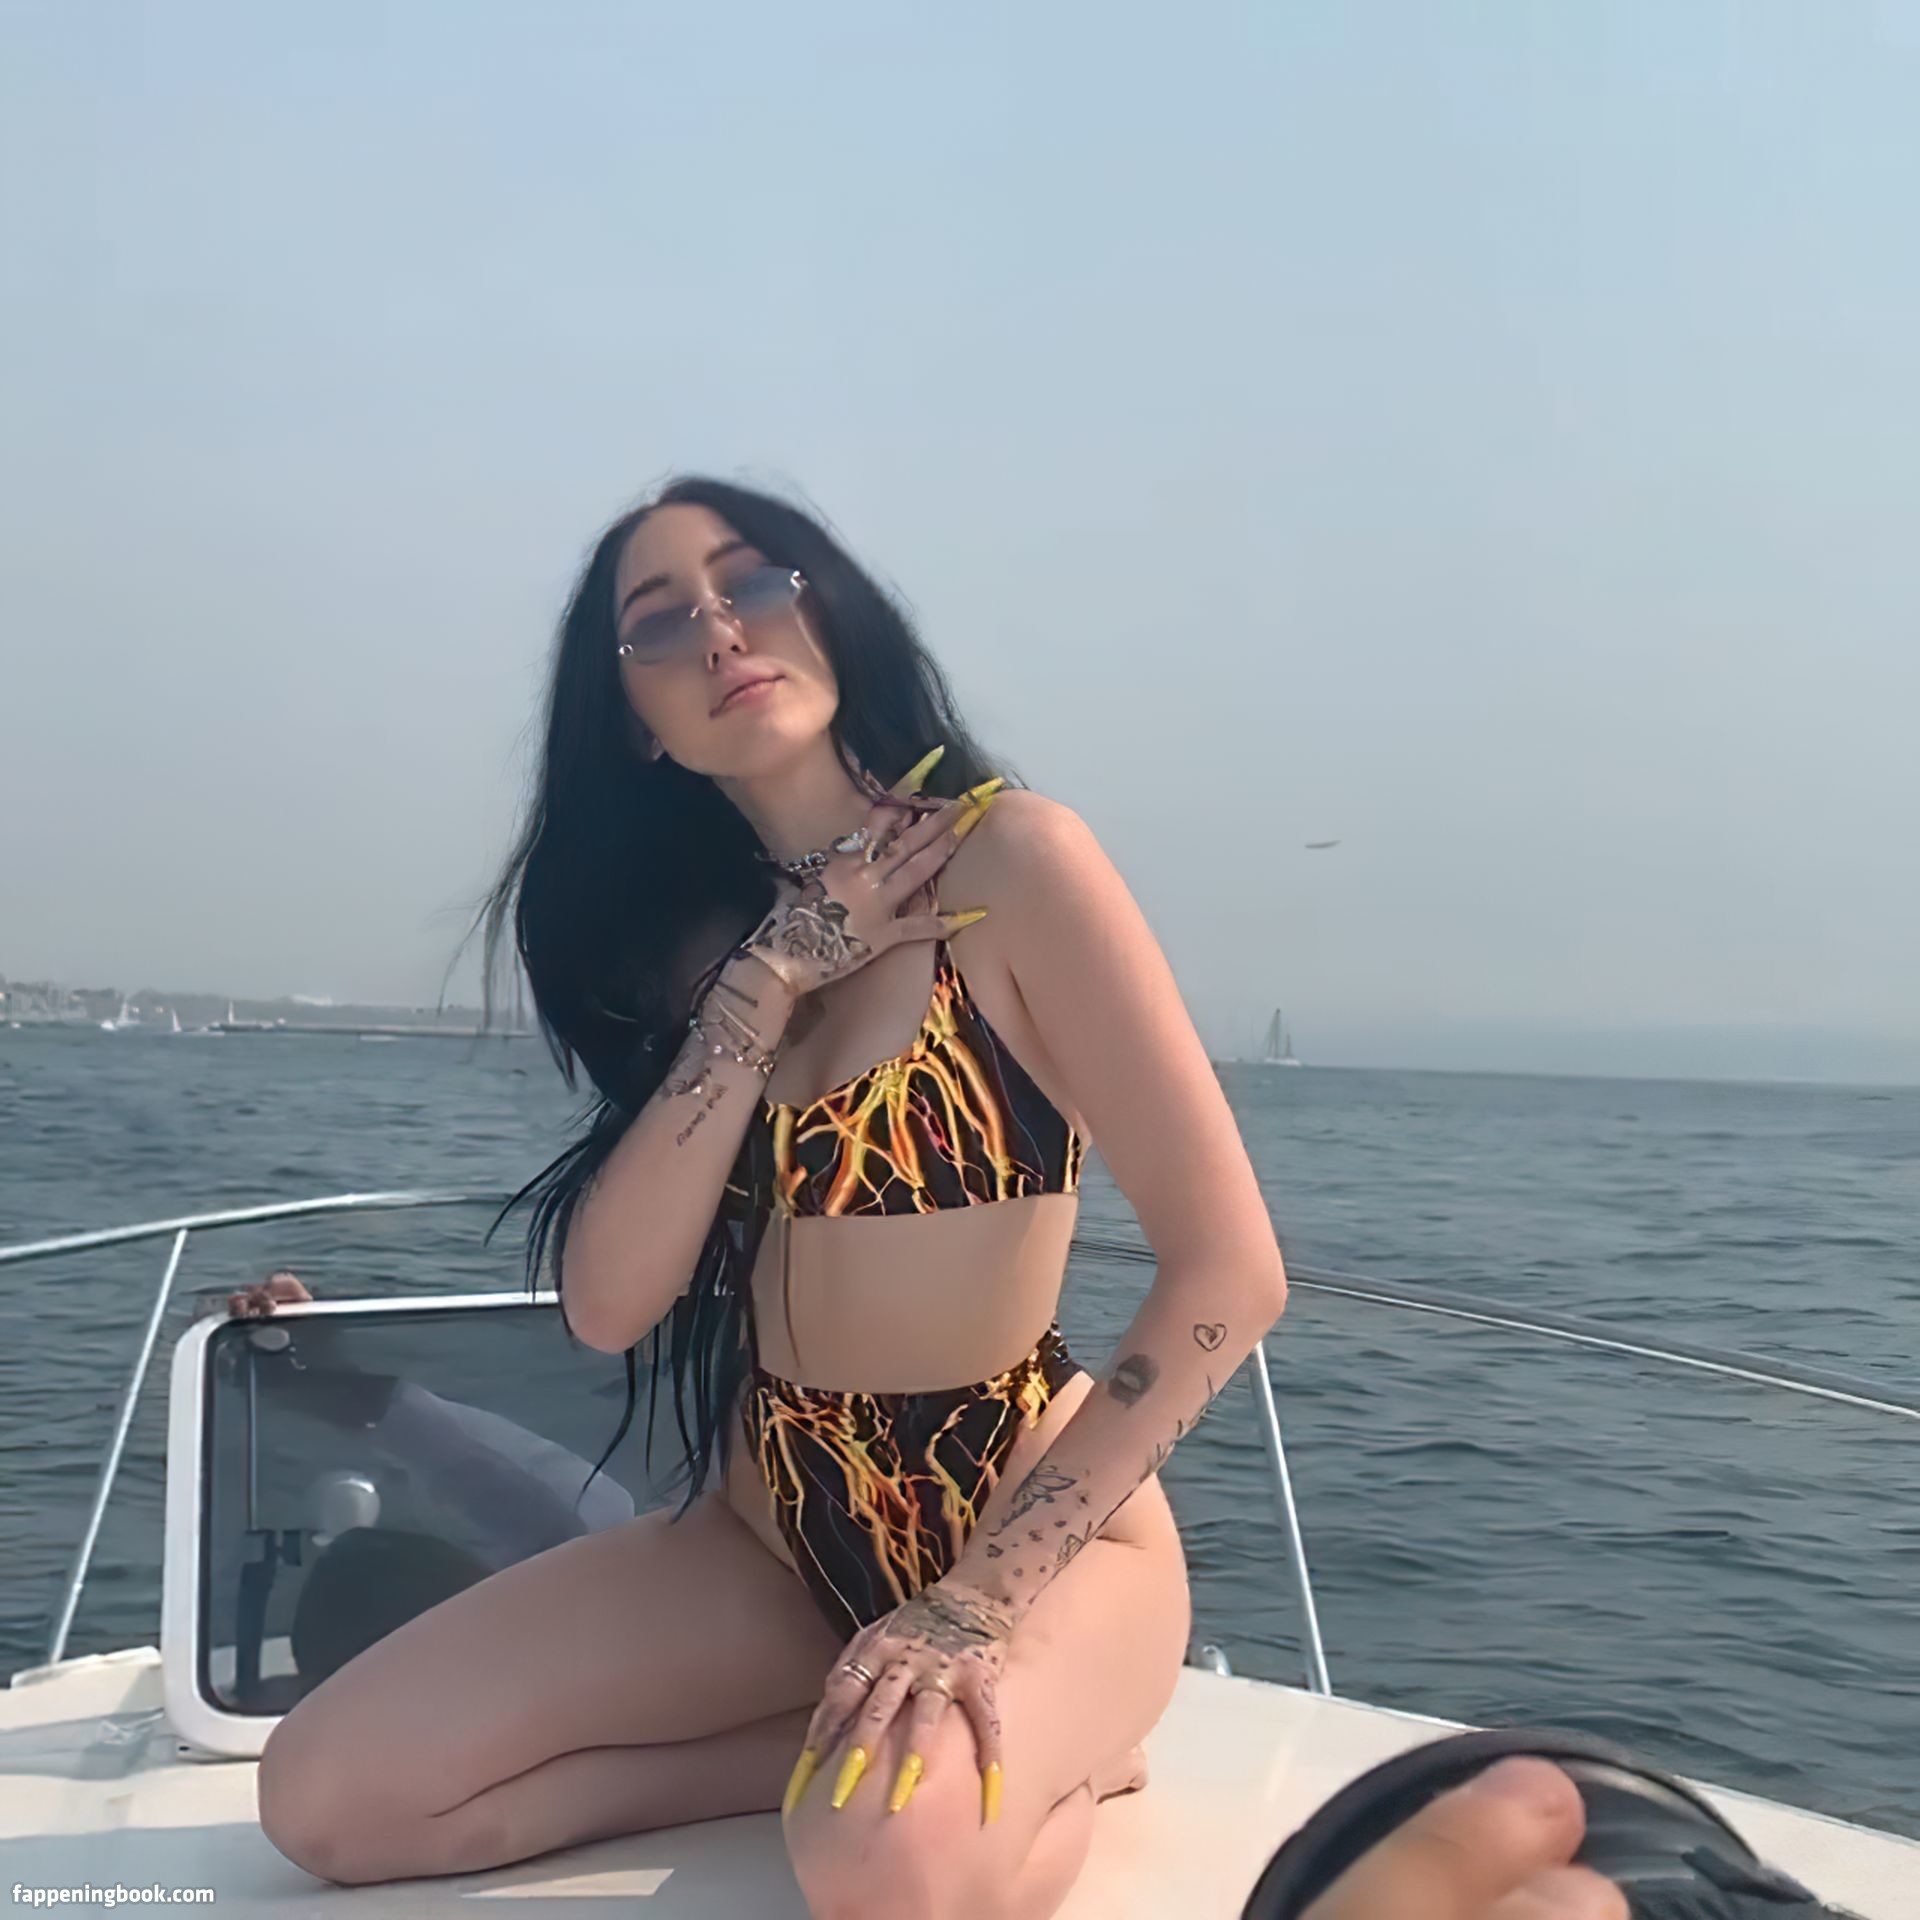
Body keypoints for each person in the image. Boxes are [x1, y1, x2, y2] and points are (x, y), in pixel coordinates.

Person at [254, 475, 1289, 1919]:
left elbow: (1231, 1274)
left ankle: (1059, 1762)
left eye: (752, 581)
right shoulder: (701, 952)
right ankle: (806, 1762)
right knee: (329, 1799)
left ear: (829, 607)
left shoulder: (1015, 864)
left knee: (882, 1868)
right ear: (639, 721)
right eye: (660, 621)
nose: (721, 630)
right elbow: (611, 1306)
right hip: (771, 1538)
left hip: (1027, 1530)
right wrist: (773, 973)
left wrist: (981, 1599)